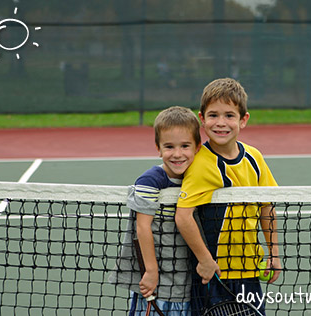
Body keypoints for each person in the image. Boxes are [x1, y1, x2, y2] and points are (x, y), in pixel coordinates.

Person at [175, 78, 281, 315]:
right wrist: (205, 261)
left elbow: (267, 207)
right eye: (213, 115)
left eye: (229, 116)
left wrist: (274, 253)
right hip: (214, 275)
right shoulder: (200, 164)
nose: (221, 123)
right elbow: (183, 217)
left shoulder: (254, 157)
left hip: (250, 271)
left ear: (243, 120)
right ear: (202, 119)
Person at [109, 106, 201, 315]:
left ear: (197, 147)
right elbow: (142, 227)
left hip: (185, 286)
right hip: (153, 287)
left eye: (185, 146)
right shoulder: (150, 181)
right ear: (158, 148)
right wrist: (151, 272)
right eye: (169, 147)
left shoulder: (198, 180)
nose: (177, 154)